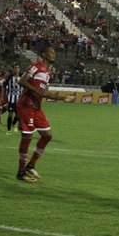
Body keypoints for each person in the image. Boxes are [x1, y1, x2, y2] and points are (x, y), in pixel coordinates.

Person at [16, 45, 75, 182]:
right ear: (44, 54)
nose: (54, 54)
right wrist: (37, 91)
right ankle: (20, 172)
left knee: (47, 136)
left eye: (55, 52)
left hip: (36, 107)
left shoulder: (48, 73)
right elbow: (22, 81)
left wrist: (62, 98)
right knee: (28, 135)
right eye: (51, 52)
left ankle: (31, 165)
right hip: (26, 105)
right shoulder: (35, 67)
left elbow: (45, 92)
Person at [4, 62, 22, 135]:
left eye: (17, 68)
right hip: (11, 99)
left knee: (18, 115)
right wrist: (4, 96)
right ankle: (8, 130)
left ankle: (14, 124)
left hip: (19, 100)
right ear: (13, 69)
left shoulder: (22, 77)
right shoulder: (9, 78)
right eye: (15, 68)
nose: (16, 69)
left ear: (19, 69)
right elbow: (4, 86)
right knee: (10, 114)